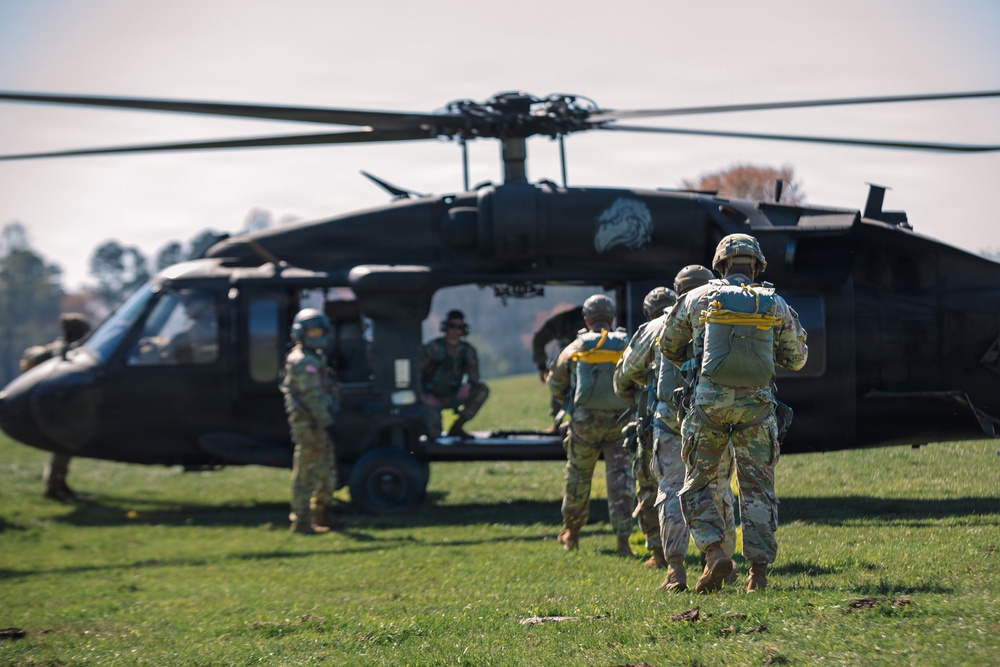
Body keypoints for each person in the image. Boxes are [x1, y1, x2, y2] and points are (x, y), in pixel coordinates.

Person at [660, 235, 808, 593]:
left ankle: (714, 553)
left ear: (720, 265)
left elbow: (668, 346)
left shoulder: (696, 298)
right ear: (756, 267)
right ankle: (758, 575)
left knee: (698, 485)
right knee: (757, 491)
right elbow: (798, 358)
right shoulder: (774, 304)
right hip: (757, 410)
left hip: (708, 406)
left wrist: (699, 365)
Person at [616, 268, 739, 592]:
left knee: (671, 489)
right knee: (719, 487)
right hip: (717, 415)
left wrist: (640, 391)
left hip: (671, 421)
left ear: (678, 291)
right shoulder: (729, 312)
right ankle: (722, 560)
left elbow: (625, 373)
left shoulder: (658, 326)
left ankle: (675, 570)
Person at [548, 294, 635, 556]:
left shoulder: (576, 347)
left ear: (586, 320)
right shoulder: (626, 343)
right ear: (612, 318)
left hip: (585, 423)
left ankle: (572, 534)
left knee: (578, 476)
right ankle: (623, 542)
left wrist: (569, 402)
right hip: (620, 421)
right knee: (621, 480)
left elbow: (555, 383)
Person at [612, 287, 676, 570]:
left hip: (657, 418)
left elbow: (624, 374)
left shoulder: (650, 329)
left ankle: (660, 552)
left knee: (650, 483)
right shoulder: (698, 320)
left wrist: (638, 392)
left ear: (648, 312)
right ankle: (708, 550)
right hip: (700, 414)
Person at [282, 308, 343, 535]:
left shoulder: (315, 358)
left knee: (326, 470)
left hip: (320, 423)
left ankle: (322, 514)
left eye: (320, 331)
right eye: (312, 331)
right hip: (310, 425)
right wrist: (327, 423)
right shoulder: (302, 361)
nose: (317, 336)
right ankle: (301, 521)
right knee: (306, 472)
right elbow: (311, 397)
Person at [20, 312, 92, 501]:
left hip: (62, 406)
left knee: (64, 449)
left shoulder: (62, 348)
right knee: (62, 448)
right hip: (60, 408)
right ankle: (53, 485)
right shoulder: (64, 351)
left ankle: (58, 482)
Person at [418, 309, 489, 439]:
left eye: (459, 327)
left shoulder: (468, 350)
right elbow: (416, 374)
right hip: (431, 398)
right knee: (435, 436)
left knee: (482, 390)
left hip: (454, 395)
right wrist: (423, 396)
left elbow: (474, 375)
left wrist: (468, 385)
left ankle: (457, 427)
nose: (455, 331)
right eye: (452, 326)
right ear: (446, 327)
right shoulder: (433, 348)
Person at [531, 305, 585, 429]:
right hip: (574, 365)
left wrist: (542, 367)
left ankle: (559, 424)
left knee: (558, 382)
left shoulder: (564, 320)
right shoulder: (564, 321)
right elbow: (539, 339)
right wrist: (542, 366)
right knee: (559, 381)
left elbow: (538, 339)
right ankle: (558, 424)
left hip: (576, 366)